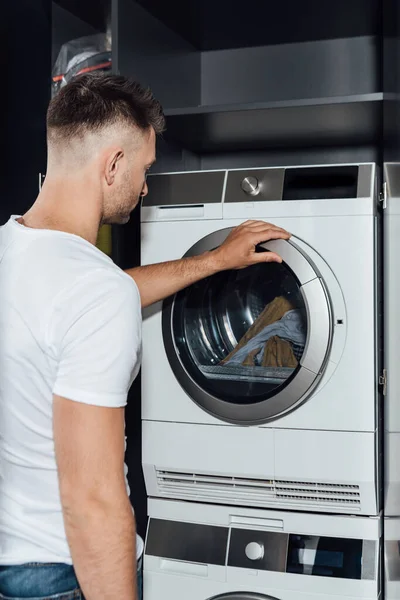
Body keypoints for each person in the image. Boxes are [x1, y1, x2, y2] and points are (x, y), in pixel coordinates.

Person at [0, 73, 290, 600]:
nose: (145, 186)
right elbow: (91, 498)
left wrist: (215, 261)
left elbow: (94, 301)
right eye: (144, 168)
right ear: (112, 164)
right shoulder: (93, 291)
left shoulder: (16, 253)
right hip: (71, 575)